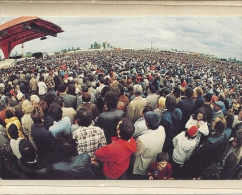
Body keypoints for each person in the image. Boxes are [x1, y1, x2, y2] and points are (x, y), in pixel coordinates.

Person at [132, 111, 166, 177]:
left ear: (147, 124)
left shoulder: (141, 139)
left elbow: (135, 153)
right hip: (154, 159)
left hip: (143, 163)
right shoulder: (162, 128)